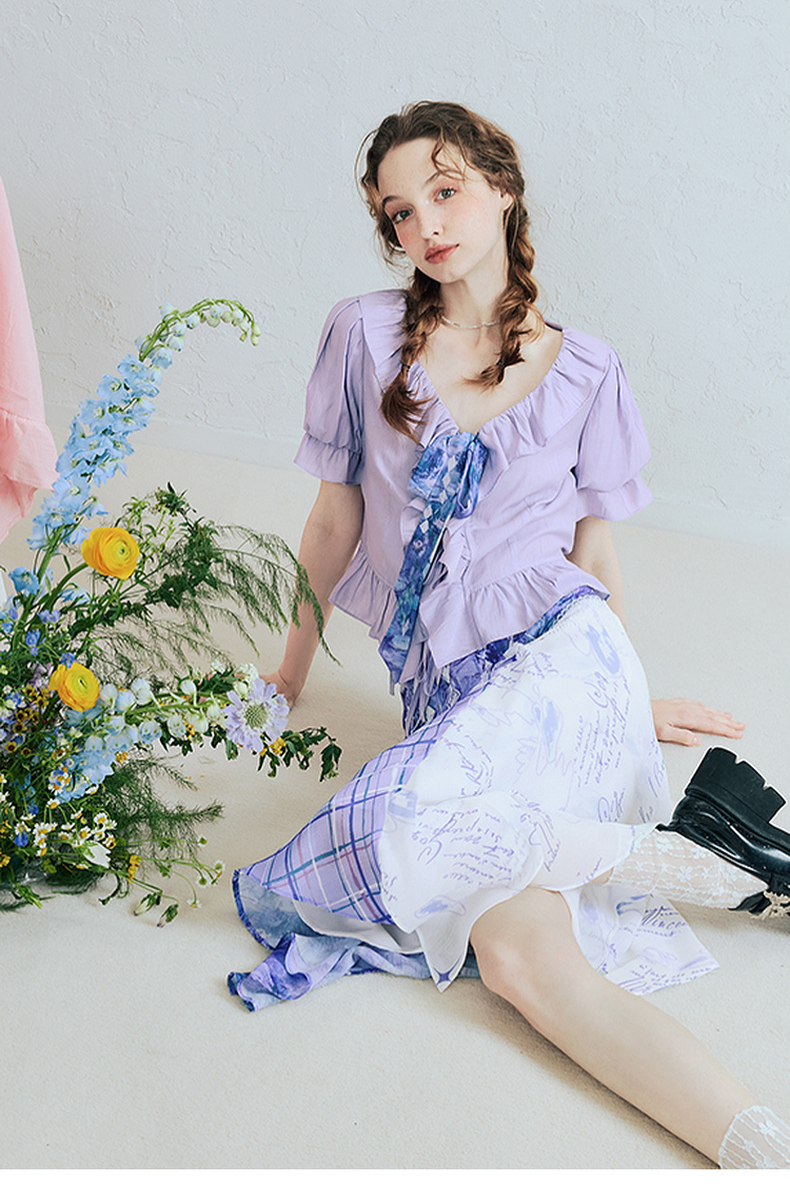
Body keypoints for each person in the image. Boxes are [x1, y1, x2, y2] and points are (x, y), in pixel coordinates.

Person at [227, 102, 790, 1169]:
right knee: (520, 961)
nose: (427, 225)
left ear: (501, 187)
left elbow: (594, 559)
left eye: (446, 191)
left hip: (563, 653)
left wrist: (624, 705)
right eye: (401, 211)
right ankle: (764, 1135)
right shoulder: (361, 337)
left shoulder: (589, 372)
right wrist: (286, 676)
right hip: (451, 693)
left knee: (403, 819)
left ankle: (699, 852)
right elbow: (333, 520)